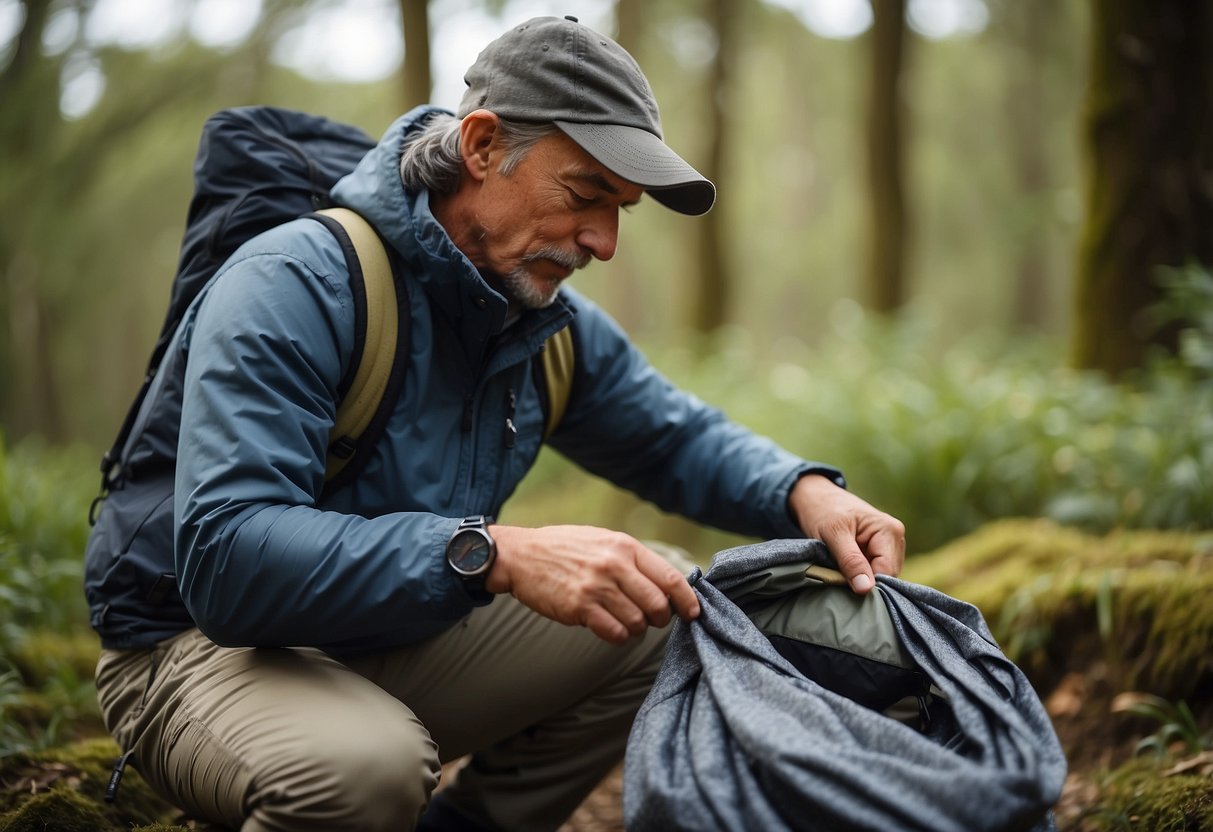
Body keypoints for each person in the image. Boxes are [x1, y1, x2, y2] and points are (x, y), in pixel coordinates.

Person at [84, 15, 905, 832]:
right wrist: (491, 554)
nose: (604, 242)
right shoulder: (296, 282)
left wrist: (805, 492)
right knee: (362, 772)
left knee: (661, 604)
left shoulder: (536, 317)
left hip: (385, 627)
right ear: (479, 147)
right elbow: (228, 563)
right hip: (196, 649)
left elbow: (672, 436)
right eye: (585, 194)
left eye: (622, 209)